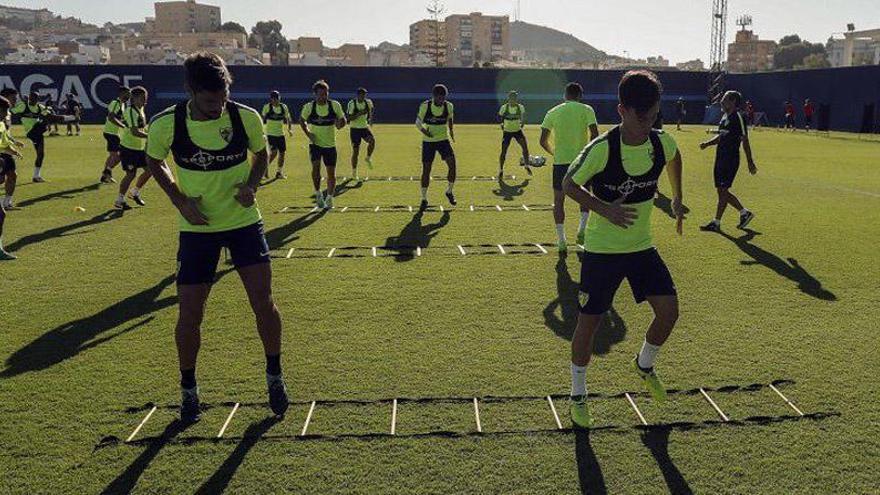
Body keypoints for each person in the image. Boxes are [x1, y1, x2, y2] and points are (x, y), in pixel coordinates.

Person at [144, 52, 289, 422]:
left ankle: (275, 376)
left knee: (263, 302)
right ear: (191, 90)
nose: (218, 107)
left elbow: (262, 153)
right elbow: (154, 161)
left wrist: (252, 185)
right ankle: (188, 389)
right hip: (198, 230)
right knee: (190, 313)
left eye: (223, 98)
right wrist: (179, 200)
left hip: (243, 223)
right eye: (210, 101)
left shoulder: (245, 117)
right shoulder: (167, 124)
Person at [562, 70, 684, 429]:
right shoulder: (601, 149)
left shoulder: (661, 143)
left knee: (669, 312)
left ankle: (644, 365)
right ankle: (578, 394)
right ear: (622, 110)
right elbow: (569, 184)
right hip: (602, 252)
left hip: (641, 247)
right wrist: (605, 209)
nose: (649, 124)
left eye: (654, 116)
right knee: (589, 324)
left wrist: (677, 196)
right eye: (642, 117)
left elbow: (676, 158)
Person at [540, 82, 599, 252]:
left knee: (558, 201)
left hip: (560, 163)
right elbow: (595, 134)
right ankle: (581, 229)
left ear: (564, 95)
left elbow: (542, 141)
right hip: (581, 162)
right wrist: (587, 153)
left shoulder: (553, 111)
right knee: (585, 196)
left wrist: (554, 153)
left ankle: (561, 241)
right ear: (580, 96)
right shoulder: (587, 109)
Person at [699, 90, 758, 232]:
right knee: (721, 191)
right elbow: (721, 137)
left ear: (733, 102)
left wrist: (750, 161)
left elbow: (745, 140)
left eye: (724, 99)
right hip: (720, 157)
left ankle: (717, 222)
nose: (721, 101)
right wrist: (707, 144)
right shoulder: (725, 117)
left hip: (730, 159)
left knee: (723, 190)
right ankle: (744, 213)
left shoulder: (738, 116)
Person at [299, 80, 346, 209]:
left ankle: (330, 198)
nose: (323, 97)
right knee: (316, 168)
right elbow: (302, 120)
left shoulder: (334, 105)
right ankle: (318, 193)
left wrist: (340, 124)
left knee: (331, 173)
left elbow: (343, 120)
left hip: (330, 145)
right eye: (320, 94)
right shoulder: (309, 107)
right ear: (315, 94)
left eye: (325, 94)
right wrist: (308, 133)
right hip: (315, 144)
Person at [416, 84, 457, 209]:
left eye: (443, 98)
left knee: (453, 165)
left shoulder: (448, 106)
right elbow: (418, 123)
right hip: (428, 142)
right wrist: (425, 132)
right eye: (439, 98)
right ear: (434, 96)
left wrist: (451, 131)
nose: (441, 100)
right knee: (426, 169)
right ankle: (424, 199)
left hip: (443, 140)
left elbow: (450, 118)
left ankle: (449, 191)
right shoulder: (425, 106)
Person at [115, 86, 152, 210]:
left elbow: (142, 128)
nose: (145, 100)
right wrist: (150, 136)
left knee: (150, 170)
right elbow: (135, 132)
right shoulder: (130, 111)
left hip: (139, 148)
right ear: (134, 99)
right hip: (129, 148)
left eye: (146, 98)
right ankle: (119, 200)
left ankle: (135, 192)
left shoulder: (140, 109)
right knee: (131, 174)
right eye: (142, 98)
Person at [10, 90, 52, 183]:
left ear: (37, 99)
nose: (32, 100)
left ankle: (36, 176)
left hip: (37, 134)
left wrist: (48, 109)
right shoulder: (23, 105)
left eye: (35, 98)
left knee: (41, 154)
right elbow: (11, 111)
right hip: (31, 132)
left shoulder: (39, 107)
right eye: (31, 98)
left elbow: (49, 115)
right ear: (29, 98)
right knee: (42, 123)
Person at [0, 94, 23, 259]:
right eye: (3, 111)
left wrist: (13, 151)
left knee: (1, 214)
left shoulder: (1, 124)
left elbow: (3, 143)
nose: (5, 114)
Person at [100, 86, 131, 184]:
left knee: (112, 156)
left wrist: (125, 122)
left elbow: (117, 118)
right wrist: (123, 126)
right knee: (118, 156)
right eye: (127, 94)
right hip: (111, 133)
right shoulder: (116, 103)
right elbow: (111, 117)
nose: (129, 96)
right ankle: (107, 172)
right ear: (121, 93)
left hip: (114, 133)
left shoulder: (122, 105)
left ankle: (106, 176)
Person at [497, 90, 531, 176]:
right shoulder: (504, 108)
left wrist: (522, 122)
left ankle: (526, 165)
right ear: (509, 98)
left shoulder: (520, 107)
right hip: (507, 132)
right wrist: (501, 123)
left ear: (516, 99)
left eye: (514, 98)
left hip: (517, 131)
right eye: (511, 98)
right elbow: (500, 117)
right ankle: (501, 169)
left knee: (525, 148)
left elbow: (523, 116)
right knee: (504, 151)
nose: (513, 100)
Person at [0, 88, 24, 209]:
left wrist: (14, 141)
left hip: (5, 147)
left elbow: (4, 132)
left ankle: (7, 203)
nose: (15, 101)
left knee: (12, 175)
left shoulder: (7, 113)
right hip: (2, 149)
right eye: (13, 98)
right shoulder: (3, 111)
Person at [261, 90, 292, 180]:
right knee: (273, 153)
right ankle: (263, 170)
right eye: (273, 99)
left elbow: (288, 118)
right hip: (270, 134)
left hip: (280, 134)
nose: (275, 101)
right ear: (271, 99)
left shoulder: (283, 107)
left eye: (277, 99)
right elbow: (262, 119)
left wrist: (289, 129)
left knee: (282, 153)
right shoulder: (267, 107)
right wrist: (261, 131)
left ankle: (279, 172)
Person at [346, 87, 376, 179]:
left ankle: (368, 157)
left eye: (364, 95)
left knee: (372, 141)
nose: (363, 97)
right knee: (356, 152)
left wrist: (370, 119)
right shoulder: (352, 104)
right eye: (362, 95)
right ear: (358, 95)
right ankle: (354, 172)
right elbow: (348, 118)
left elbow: (371, 109)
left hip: (364, 128)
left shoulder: (368, 102)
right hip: (354, 129)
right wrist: (359, 114)